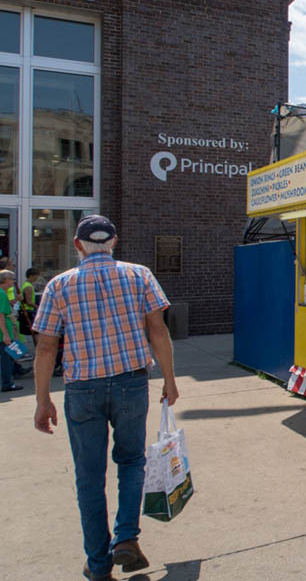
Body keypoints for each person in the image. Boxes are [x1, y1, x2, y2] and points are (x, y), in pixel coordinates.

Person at [32, 215, 179, 581]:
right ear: (113, 241)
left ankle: (98, 564)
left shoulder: (59, 285)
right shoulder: (139, 275)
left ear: (78, 245)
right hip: (130, 382)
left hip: (83, 389)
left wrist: (42, 399)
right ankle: (126, 538)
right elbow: (157, 330)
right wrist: (170, 380)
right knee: (131, 461)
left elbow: (46, 347)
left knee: (89, 476)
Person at [0, 269, 23, 392]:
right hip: (4, 331)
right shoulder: (2, 293)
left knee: (10, 356)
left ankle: (10, 379)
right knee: (7, 358)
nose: (13, 282)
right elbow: (1, 315)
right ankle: (7, 383)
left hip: (5, 330)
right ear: (6, 280)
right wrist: (6, 334)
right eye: (12, 279)